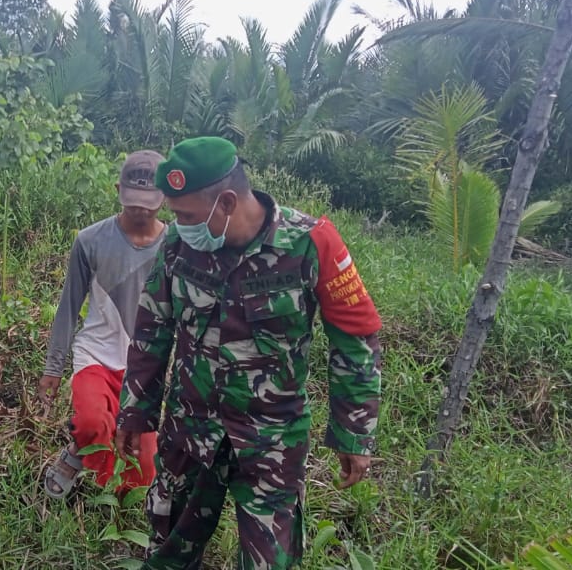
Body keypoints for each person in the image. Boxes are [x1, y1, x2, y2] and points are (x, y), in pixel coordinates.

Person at [114, 137, 383, 570]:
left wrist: (353, 434)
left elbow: (356, 339)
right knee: (168, 555)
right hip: (189, 432)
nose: (176, 225)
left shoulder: (312, 244)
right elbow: (152, 328)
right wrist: (135, 412)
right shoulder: (181, 245)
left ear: (225, 203)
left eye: (185, 215)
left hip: (271, 444)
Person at [40, 151, 167, 499]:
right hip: (95, 354)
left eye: (150, 203)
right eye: (133, 202)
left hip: (143, 366)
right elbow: (68, 306)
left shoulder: (175, 247)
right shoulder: (90, 240)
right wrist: (53, 367)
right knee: (93, 423)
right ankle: (97, 475)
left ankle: (111, 492)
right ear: (117, 190)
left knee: (144, 469)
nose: (141, 210)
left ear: (165, 198)